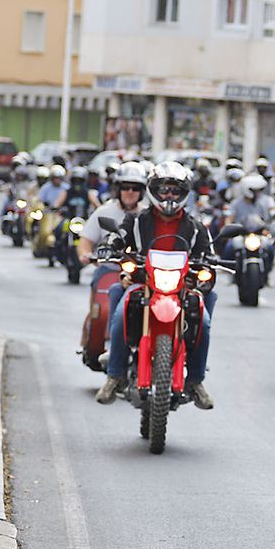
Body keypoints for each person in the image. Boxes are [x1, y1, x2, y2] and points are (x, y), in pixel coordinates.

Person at [95, 162, 215, 409]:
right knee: (120, 307)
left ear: (184, 193)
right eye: (164, 190)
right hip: (143, 283)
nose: (169, 196)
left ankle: (195, 380)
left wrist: (207, 267)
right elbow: (118, 236)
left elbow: (209, 256)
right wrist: (110, 245)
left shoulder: (195, 227)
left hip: (180, 288)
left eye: (175, 190)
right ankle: (115, 375)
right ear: (153, 191)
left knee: (203, 317)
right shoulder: (137, 220)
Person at [76, 159, 149, 265]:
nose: (130, 192)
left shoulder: (148, 215)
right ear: (118, 189)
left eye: (135, 188)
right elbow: (86, 240)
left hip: (142, 273)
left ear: (142, 192)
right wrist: (85, 254)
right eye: (125, 187)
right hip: (108, 268)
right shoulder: (103, 212)